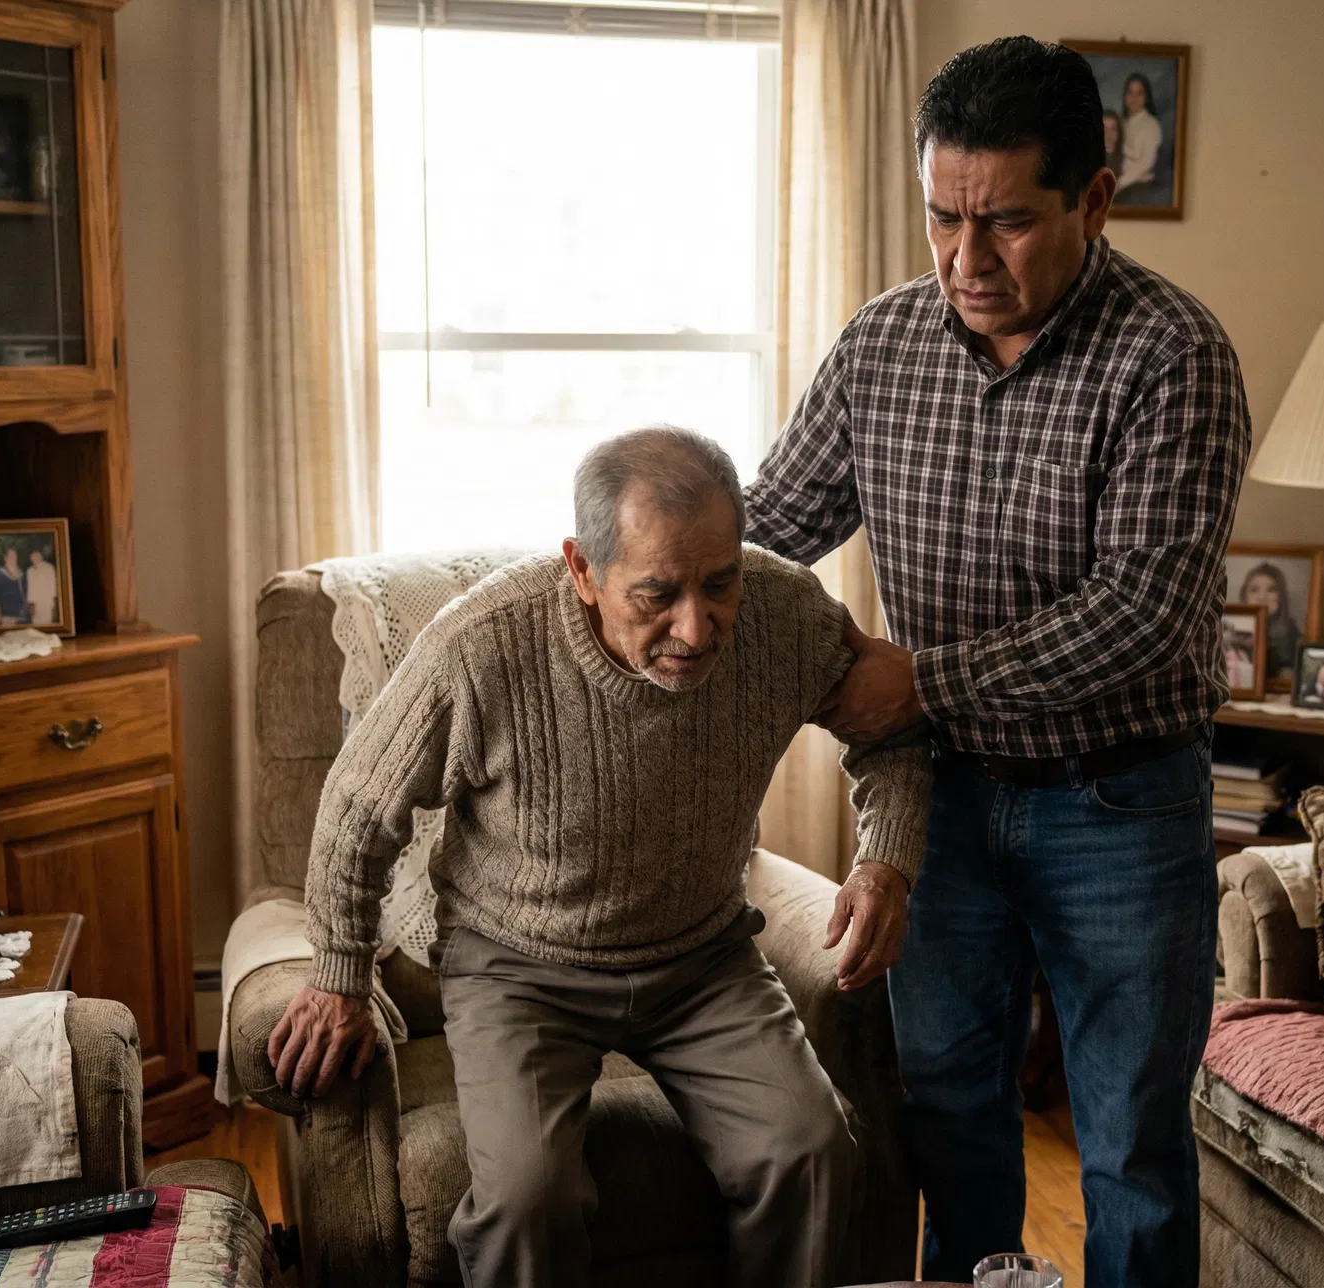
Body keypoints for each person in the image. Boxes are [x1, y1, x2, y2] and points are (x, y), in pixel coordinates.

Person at [744, 36, 1250, 1287]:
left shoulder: (1174, 355)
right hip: (943, 807)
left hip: (1121, 804)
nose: (965, 259)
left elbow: (1139, 611)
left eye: (1007, 222)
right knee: (950, 1110)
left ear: (1094, 199)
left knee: (1130, 1144)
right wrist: (619, 567)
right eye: (942, 217)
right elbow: (771, 527)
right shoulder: (880, 346)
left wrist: (920, 680)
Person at [270, 427, 931, 1288]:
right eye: (657, 594)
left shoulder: (786, 611)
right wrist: (339, 976)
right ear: (583, 570)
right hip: (518, 970)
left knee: (811, 1152)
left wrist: (884, 861)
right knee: (526, 1201)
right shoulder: (483, 642)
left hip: (703, 961)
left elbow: (892, 730)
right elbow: (360, 807)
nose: (695, 627)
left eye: (719, 583)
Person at [1240, 562, 1301, 683]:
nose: (1262, 597)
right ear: (1245, 596)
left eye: (1271, 590)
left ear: (1281, 596)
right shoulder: (1231, 629)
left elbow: (1288, 675)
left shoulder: (1290, 631)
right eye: (1254, 590)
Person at [1116, 72, 1162, 194]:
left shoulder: (1151, 125)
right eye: (1130, 92)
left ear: (1146, 97)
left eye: (1139, 93)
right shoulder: (1123, 123)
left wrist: (1120, 183)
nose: (1134, 98)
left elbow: (1147, 162)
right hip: (1120, 184)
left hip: (1139, 187)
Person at [0, 545, 27, 627]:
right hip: (5, 618)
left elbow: (26, 594)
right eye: (11, 556)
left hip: (22, 617)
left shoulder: (22, 575)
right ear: (5, 558)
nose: (13, 558)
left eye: (15, 556)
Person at [24, 545, 60, 625]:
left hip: (46, 603)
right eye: (33, 556)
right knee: (35, 625)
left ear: (41, 556)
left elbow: (53, 586)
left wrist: (53, 605)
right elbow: (30, 588)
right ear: (30, 558)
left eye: (37, 555)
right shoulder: (29, 571)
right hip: (35, 604)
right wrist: (31, 605)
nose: (35, 558)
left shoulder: (48, 568)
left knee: (47, 624)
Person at [1100, 109, 1124, 176]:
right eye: (1104, 129)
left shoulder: (1125, 158)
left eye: (1113, 129)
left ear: (1119, 132)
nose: (1108, 134)